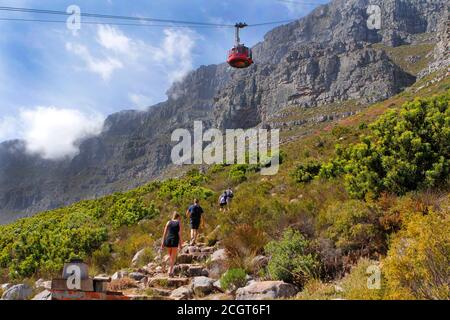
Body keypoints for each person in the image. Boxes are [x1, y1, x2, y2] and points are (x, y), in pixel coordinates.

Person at [161, 212, 183, 277]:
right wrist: (180, 244)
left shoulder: (168, 222)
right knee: (173, 258)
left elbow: (164, 233)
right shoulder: (178, 223)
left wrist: (162, 243)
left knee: (170, 255)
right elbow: (179, 234)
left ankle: (165, 260)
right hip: (174, 240)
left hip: (168, 239)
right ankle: (170, 272)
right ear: (178, 217)